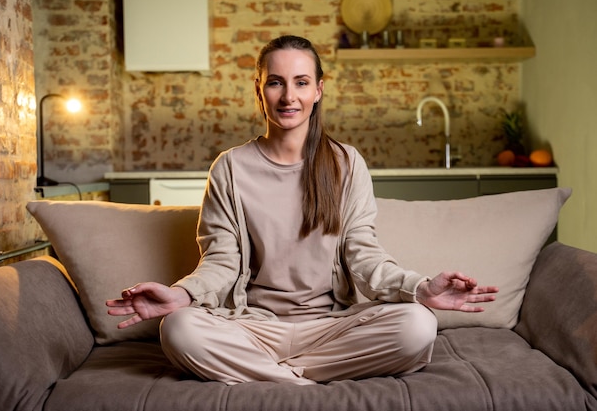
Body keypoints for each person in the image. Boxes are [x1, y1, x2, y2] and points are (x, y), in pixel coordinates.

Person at [106, 35, 498, 385]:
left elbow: (364, 256)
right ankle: (304, 380)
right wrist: (182, 295)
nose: (288, 96)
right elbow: (221, 261)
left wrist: (421, 288)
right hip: (253, 328)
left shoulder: (347, 163)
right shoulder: (230, 167)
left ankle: (273, 376)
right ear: (259, 90)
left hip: (330, 328)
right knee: (178, 330)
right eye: (275, 82)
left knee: (418, 325)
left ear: (318, 90)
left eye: (301, 83)